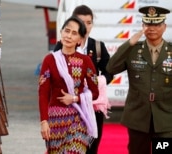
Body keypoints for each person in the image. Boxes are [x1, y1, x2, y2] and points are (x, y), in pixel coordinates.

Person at [106, 6, 171, 154]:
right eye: (148, 24)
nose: (152, 28)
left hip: (166, 120)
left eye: (157, 24)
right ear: (142, 26)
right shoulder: (133, 50)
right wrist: (129, 44)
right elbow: (111, 68)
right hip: (138, 119)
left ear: (164, 27)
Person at [38, 16, 99, 154]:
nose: (69, 36)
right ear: (61, 32)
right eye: (67, 31)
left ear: (80, 39)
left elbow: (95, 93)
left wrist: (75, 98)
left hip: (78, 119)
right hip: (55, 121)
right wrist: (44, 122)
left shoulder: (86, 61)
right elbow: (43, 93)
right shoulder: (50, 60)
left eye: (74, 33)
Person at [71, 5, 113, 154]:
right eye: (82, 22)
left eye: (89, 22)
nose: (86, 26)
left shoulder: (97, 46)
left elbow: (110, 71)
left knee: (92, 145)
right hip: (70, 105)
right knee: (71, 145)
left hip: (93, 105)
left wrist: (100, 81)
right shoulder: (64, 45)